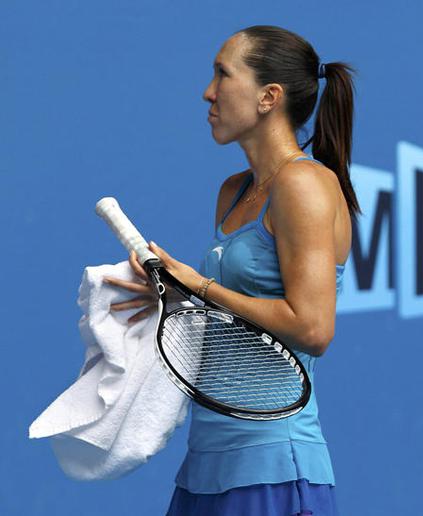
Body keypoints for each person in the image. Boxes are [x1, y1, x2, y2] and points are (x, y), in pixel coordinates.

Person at [103, 25, 359, 516]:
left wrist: (200, 285)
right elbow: (238, 323)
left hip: (274, 468)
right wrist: (174, 297)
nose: (208, 91)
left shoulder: (303, 183)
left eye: (223, 74)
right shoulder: (234, 191)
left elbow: (312, 327)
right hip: (205, 466)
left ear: (269, 97)